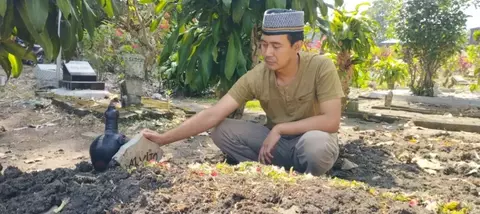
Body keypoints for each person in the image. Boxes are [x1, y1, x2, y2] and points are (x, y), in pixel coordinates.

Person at [141, 9, 345, 176]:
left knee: (316, 147)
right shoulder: (258, 75)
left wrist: (280, 128)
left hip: (308, 141)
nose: (267, 53)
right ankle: (271, 172)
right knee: (221, 130)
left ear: (297, 46)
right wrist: (164, 138)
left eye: (276, 46)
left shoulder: (321, 67)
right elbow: (213, 114)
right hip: (276, 146)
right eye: (264, 44)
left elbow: (331, 121)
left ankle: (311, 180)